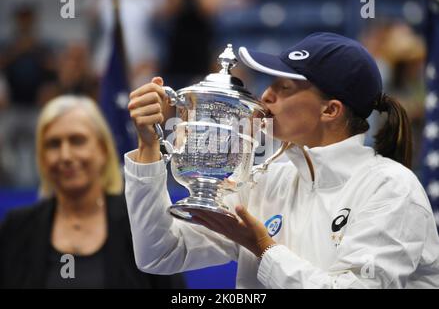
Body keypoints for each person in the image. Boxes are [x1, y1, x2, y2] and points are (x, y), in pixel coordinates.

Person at [124, 32, 439, 288]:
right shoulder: (266, 180)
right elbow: (160, 253)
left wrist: (263, 248)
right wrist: (148, 148)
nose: (266, 97)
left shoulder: (391, 188)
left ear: (330, 110)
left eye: (284, 87)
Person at [0, 95, 186, 289]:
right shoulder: (17, 229)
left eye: (77, 141)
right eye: (54, 144)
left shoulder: (141, 223)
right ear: (42, 157)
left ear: (103, 150)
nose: (65, 155)